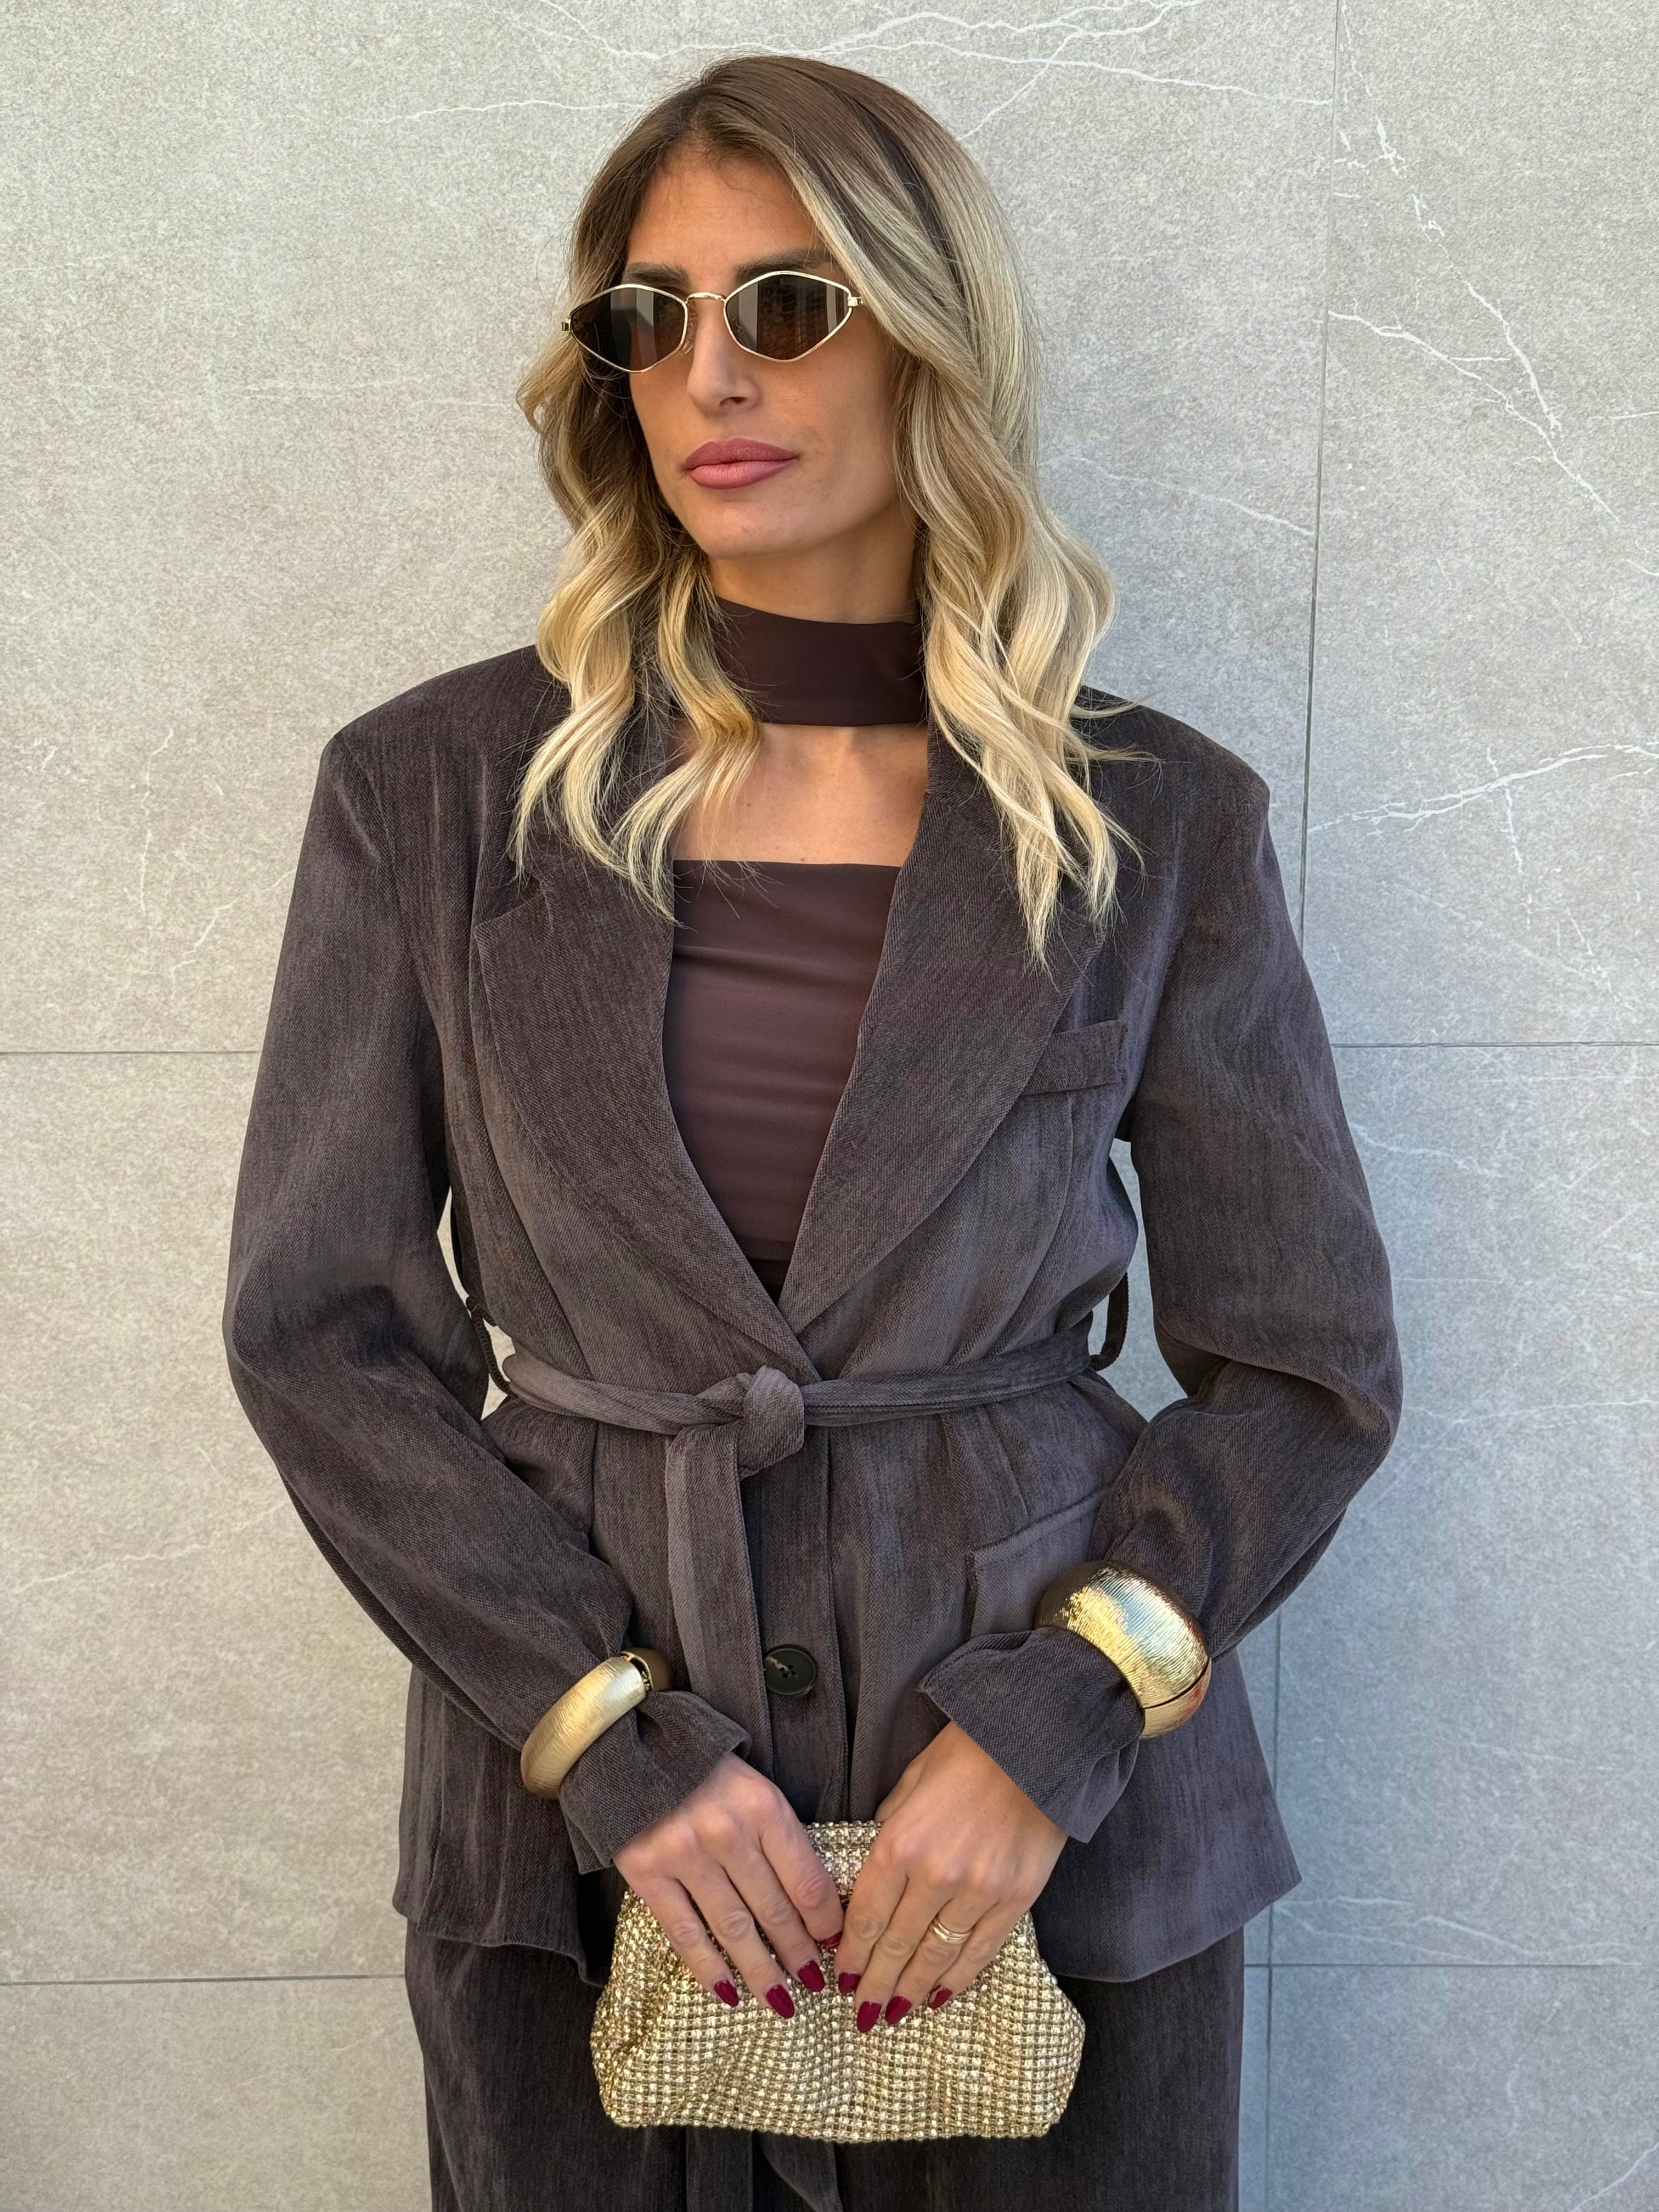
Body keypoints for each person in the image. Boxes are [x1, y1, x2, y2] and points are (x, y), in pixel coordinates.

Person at [222, 51, 1404, 2212]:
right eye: (647, 317)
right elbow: (324, 1336)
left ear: (928, 335)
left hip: (1049, 1842)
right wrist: (601, 1731)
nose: (709, 374)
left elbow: (1305, 1365)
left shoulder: (1153, 822)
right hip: (583, 1842)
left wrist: (1063, 1717)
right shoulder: (432, 798)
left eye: (786, 305)